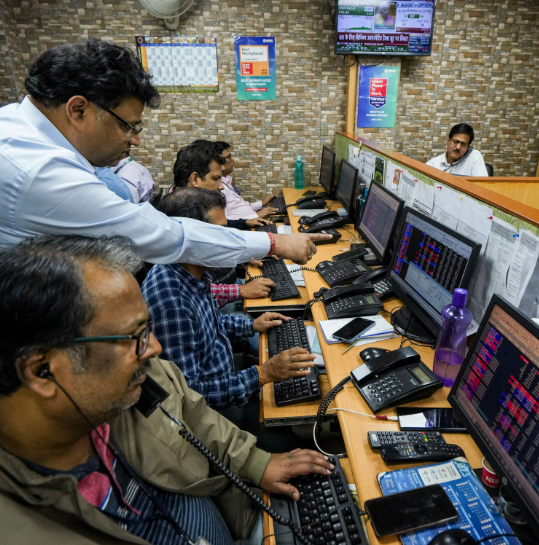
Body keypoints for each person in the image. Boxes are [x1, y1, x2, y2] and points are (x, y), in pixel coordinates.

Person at [0, 234, 333, 545]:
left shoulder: (130, 382)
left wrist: (257, 463)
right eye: (135, 336)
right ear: (41, 372)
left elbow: (193, 411)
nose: (155, 348)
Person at [0, 38, 326, 266]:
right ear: (78, 110)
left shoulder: (19, 129)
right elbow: (161, 237)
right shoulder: (39, 169)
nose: (136, 141)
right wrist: (274, 242)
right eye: (128, 126)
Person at [142, 188, 315, 410]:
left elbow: (208, 323)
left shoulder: (190, 272)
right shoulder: (171, 303)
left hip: (225, 373)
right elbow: (189, 396)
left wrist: (251, 325)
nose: (228, 241)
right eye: (221, 234)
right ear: (192, 239)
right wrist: (263, 374)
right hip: (214, 409)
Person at [171, 143, 271, 231]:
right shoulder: (182, 220)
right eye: (215, 178)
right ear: (195, 179)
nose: (221, 187)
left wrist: (244, 223)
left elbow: (221, 225)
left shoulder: (195, 202)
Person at [214, 141, 278, 220]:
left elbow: (242, 206)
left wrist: (262, 203)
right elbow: (226, 222)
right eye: (228, 157)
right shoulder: (217, 189)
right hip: (247, 225)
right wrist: (257, 215)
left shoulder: (226, 182)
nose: (232, 159)